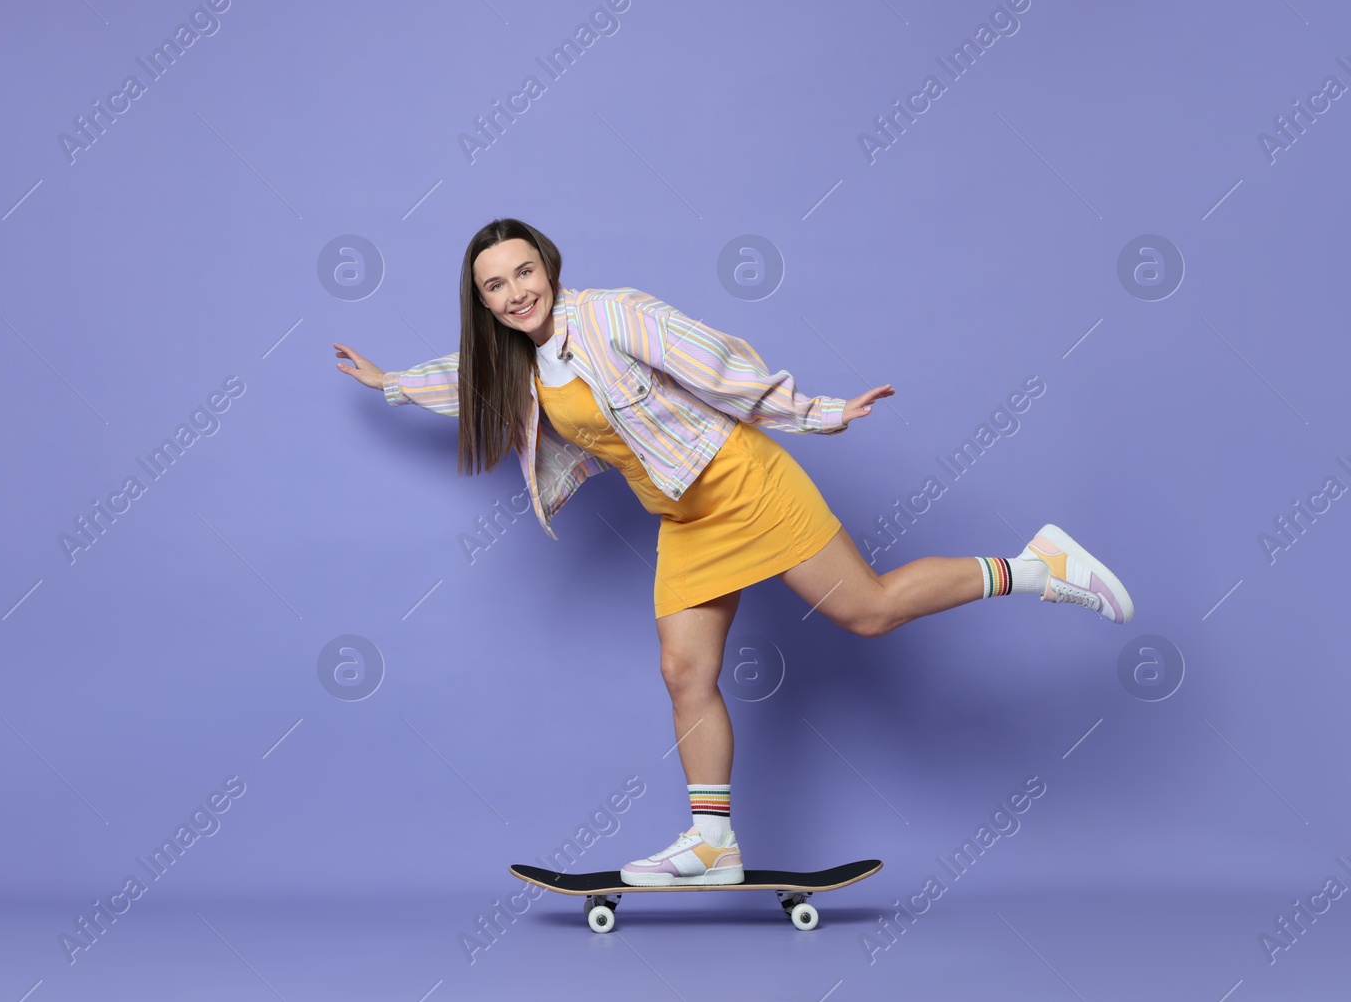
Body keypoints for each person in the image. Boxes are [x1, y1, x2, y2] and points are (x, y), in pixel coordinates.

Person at [334, 217, 1133, 887]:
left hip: (743, 480)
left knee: (871, 609)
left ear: (549, 266)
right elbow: (465, 379)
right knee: (685, 671)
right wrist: (391, 383)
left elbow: (714, 361)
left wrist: (814, 411)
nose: (515, 293)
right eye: (495, 286)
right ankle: (712, 842)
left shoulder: (615, 314)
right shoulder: (513, 360)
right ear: (482, 302)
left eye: (524, 271)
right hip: (683, 515)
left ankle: (1039, 566)